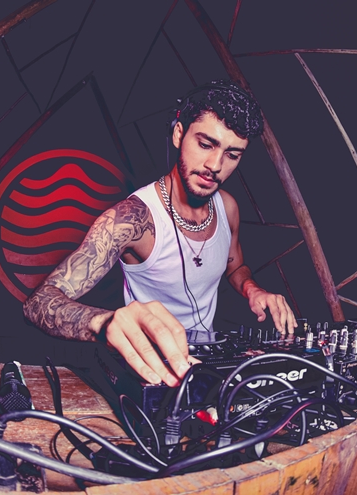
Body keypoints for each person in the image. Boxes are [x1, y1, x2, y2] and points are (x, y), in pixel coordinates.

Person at [23, 80, 297, 387]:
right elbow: (39, 303)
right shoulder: (131, 219)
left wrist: (252, 289)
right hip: (151, 370)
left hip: (207, 366)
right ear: (179, 134)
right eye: (206, 144)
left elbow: (235, 265)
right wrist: (105, 322)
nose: (215, 165)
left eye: (232, 154)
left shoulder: (228, 207)